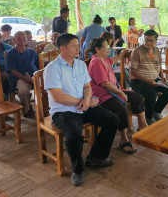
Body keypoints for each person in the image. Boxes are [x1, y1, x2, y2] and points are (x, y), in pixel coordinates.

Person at [44, 33, 119, 187]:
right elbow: (58, 97)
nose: (79, 48)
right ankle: (77, 170)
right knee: (74, 135)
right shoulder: (52, 68)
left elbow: (87, 86)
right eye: (74, 46)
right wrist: (84, 101)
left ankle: (96, 157)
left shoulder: (79, 64)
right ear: (62, 48)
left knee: (112, 120)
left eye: (79, 45)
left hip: (83, 105)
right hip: (63, 110)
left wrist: (86, 100)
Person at [88, 37, 148, 154]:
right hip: (103, 95)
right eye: (106, 46)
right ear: (97, 49)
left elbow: (112, 60)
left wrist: (123, 53)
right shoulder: (96, 62)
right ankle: (123, 139)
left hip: (113, 90)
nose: (109, 48)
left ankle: (142, 125)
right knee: (121, 108)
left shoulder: (103, 58)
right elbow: (104, 83)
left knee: (137, 98)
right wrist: (120, 93)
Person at [130, 30, 168, 125]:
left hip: (154, 79)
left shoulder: (157, 50)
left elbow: (159, 66)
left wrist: (163, 77)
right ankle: (148, 117)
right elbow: (133, 72)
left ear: (155, 41)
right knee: (151, 93)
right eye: (146, 40)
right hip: (139, 81)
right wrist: (148, 81)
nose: (147, 42)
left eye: (150, 40)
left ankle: (156, 110)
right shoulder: (137, 51)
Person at [5, 31, 39, 118]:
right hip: (19, 78)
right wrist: (27, 79)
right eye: (19, 39)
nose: (22, 40)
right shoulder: (11, 53)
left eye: (24, 38)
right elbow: (12, 70)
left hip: (33, 76)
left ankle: (45, 108)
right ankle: (27, 108)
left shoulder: (32, 52)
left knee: (47, 86)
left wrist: (35, 78)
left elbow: (38, 66)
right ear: (14, 40)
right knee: (23, 90)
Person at [0, 30, 13, 96]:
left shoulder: (9, 49)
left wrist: (6, 72)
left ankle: (4, 100)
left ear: (0, 37)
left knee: (3, 79)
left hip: (6, 72)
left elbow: (14, 64)